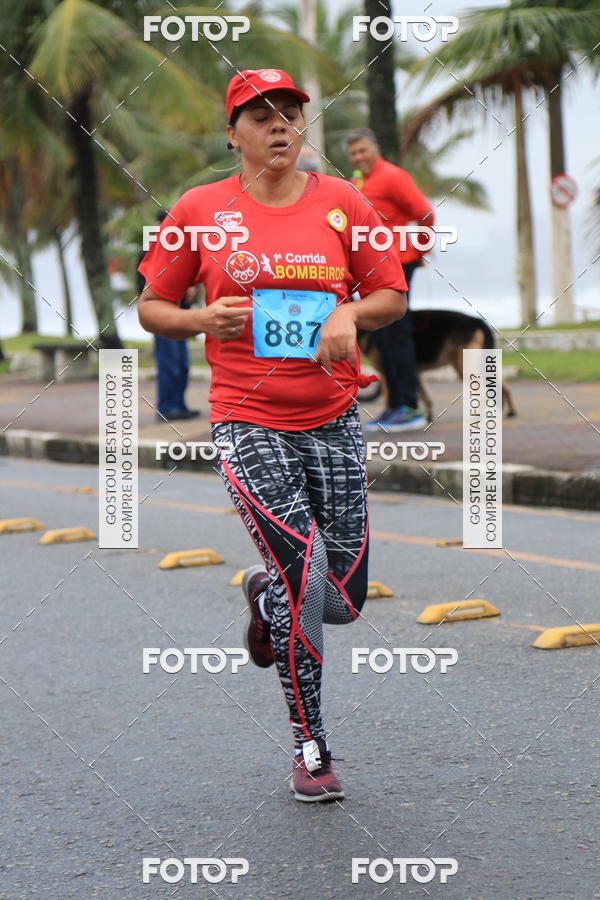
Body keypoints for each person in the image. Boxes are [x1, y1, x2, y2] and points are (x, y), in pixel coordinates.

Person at [137, 69, 407, 802]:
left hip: (334, 419)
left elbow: (389, 291)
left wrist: (348, 316)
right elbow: (152, 306)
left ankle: (265, 598)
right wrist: (200, 320)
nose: (280, 126)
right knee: (306, 576)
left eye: (289, 113)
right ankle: (311, 749)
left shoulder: (344, 203)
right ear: (233, 134)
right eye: (261, 116)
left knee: (341, 603)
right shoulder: (200, 209)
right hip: (246, 420)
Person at [346, 128, 435, 431]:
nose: (359, 157)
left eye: (363, 151)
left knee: (397, 337)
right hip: (369, 270)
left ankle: (410, 407)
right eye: (354, 154)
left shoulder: (393, 176)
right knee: (382, 340)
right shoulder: (358, 181)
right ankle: (394, 405)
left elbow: (424, 213)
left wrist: (420, 251)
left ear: (376, 149)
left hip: (397, 263)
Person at [137, 210, 200, 422]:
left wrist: (190, 293)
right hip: (163, 319)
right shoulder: (149, 250)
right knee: (168, 364)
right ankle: (166, 408)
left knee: (181, 364)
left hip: (181, 316)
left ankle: (179, 405)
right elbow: (145, 289)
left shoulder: (178, 249)